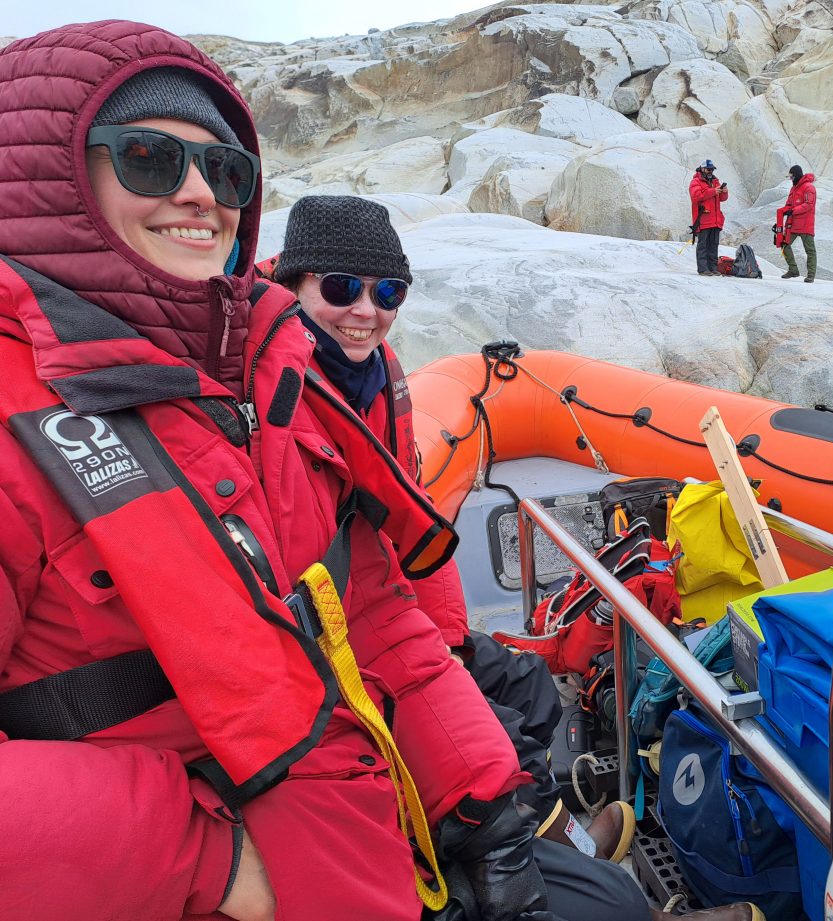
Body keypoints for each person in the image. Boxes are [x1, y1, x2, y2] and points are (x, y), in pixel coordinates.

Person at [0, 21, 550, 921]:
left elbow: (365, 601)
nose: (196, 194)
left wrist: (483, 799)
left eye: (225, 173)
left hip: (348, 846)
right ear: (53, 176)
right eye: (147, 158)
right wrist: (206, 861)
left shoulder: (260, 385)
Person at [269, 195, 768, 921]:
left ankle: (564, 836)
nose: (366, 311)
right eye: (341, 288)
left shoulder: (369, 384)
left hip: (394, 636)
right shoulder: (280, 404)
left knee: (529, 686)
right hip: (342, 683)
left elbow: (395, 547)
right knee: (581, 860)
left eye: (387, 293)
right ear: (293, 285)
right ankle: (576, 856)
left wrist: (445, 645)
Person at [688, 160, 728, 277]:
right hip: (703, 219)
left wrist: (724, 192)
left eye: (712, 169)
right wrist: (713, 191)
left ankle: (713, 268)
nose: (711, 171)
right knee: (703, 245)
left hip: (715, 220)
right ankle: (703, 269)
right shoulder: (695, 181)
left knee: (713, 245)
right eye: (708, 169)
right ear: (702, 169)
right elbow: (696, 196)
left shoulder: (715, 181)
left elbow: (722, 198)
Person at [780, 165, 817, 283]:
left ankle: (811, 275)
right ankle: (793, 270)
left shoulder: (809, 188)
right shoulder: (793, 189)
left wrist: (793, 211)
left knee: (810, 250)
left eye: (791, 177)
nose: (791, 180)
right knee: (784, 244)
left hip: (806, 225)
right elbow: (789, 204)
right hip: (793, 224)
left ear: (796, 175)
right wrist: (784, 210)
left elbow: (809, 205)